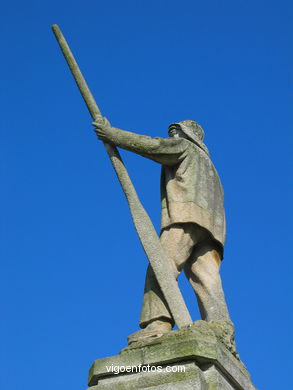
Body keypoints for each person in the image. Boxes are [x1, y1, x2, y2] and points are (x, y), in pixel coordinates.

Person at [94, 117, 234, 345]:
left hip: (185, 217)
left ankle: (157, 324)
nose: (171, 137)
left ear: (186, 134)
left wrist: (112, 135)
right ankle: (222, 328)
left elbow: (154, 146)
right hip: (212, 231)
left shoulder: (186, 147)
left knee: (161, 266)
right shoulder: (211, 169)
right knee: (207, 278)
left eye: (174, 132)